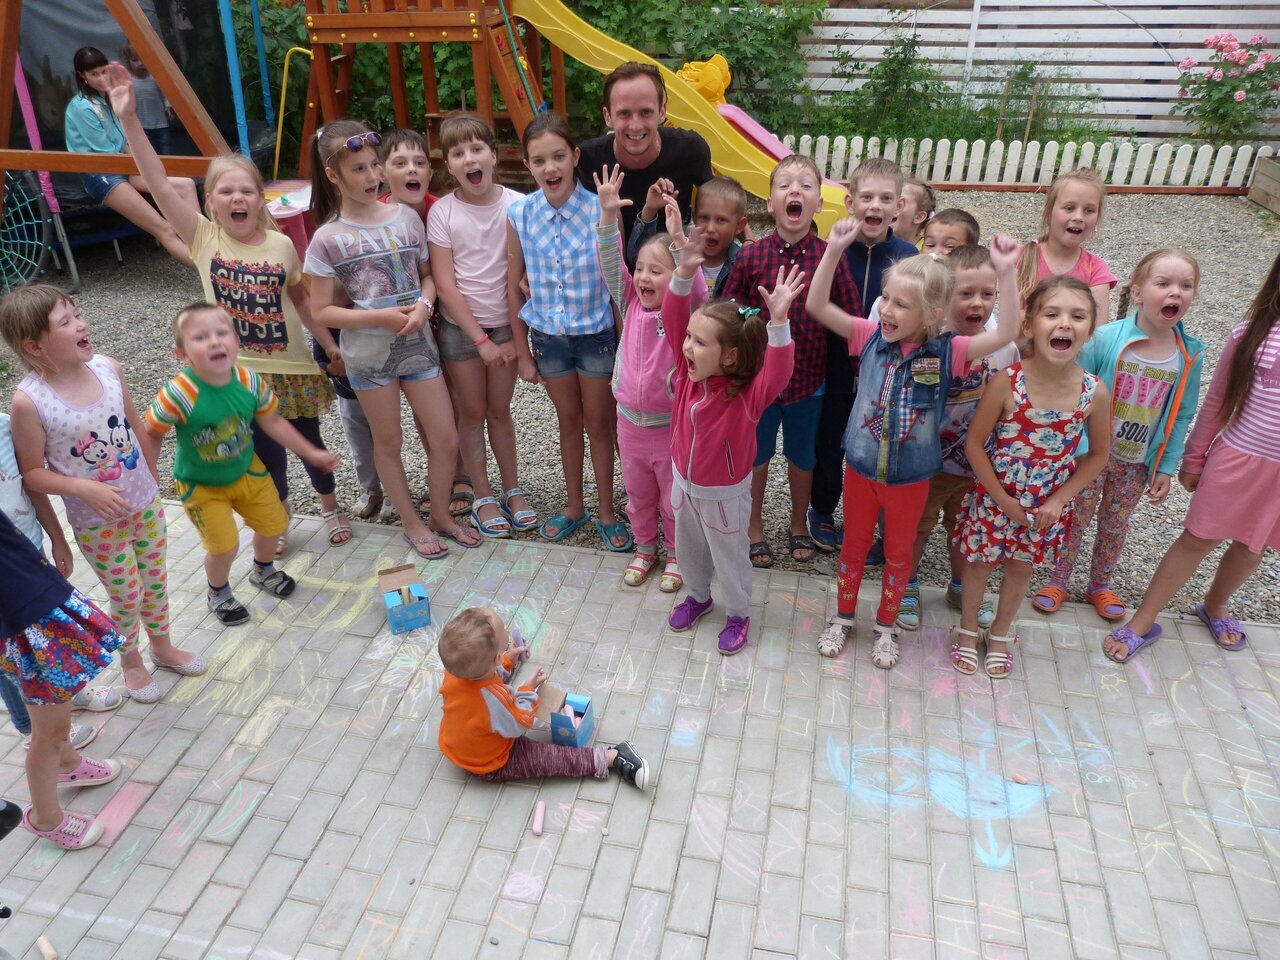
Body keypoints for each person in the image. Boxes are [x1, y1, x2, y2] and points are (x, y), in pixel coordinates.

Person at [108, 64, 350, 555]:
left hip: (292, 368)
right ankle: (277, 518)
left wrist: (329, 347)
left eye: (247, 190)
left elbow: (302, 301)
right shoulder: (204, 238)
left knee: (310, 440)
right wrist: (129, 119)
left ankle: (331, 508)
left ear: (261, 199)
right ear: (210, 202)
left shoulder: (282, 246)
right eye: (226, 191)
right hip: (240, 375)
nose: (237, 197)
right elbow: (157, 182)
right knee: (265, 455)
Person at [807, 225, 1023, 669]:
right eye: (886, 298)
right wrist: (833, 250)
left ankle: (886, 627)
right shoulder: (868, 334)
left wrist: (1006, 273)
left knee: (898, 555)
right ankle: (843, 617)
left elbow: (1008, 333)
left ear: (932, 314)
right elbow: (817, 306)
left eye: (900, 304)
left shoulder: (950, 351)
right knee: (853, 549)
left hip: (911, 478)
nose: (886, 309)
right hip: (862, 469)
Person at [2, 285, 205, 702]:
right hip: (97, 525)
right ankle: (131, 662)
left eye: (77, 314)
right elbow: (32, 475)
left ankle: (163, 647)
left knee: (155, 582)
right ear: (35, 346)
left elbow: (137, 428)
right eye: (66, 322)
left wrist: (155, 483)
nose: (81, 324)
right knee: (127, 595)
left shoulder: (109, 368)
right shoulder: (30, 402)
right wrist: (80, 492)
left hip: (145, 506)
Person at [304, 119, 480, 559]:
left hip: (419, 348)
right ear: (333, 175)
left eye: (373, 166)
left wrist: (424, 305)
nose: (371, 176)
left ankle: (440, 514)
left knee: (445, 438)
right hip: (367, 357)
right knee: (390, 443)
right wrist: (378, 316)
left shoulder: (406, 219)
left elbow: (427, 276)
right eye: (358, 169)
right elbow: (320, 310)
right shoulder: (327, 239)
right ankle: (412, 522)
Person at [1102, 250, 1280, 662]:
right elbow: (1216, 402)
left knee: (1253, 547)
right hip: (1239, 459)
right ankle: (1143, 620)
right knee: (1198, 539)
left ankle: (1216, 604)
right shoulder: (1252, 333)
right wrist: (1194, 459)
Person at [663, 200, 805, 655]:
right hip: (684, 485)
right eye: (689, 338)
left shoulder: (745, 395)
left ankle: (739, 613)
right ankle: (698, 596)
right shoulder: (688, 375)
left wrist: (779, 322)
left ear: (728, 356)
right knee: (689, 551)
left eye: (699, 342)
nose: (687, 347)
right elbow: (672, 318)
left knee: (730, 557)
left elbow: (779, 371)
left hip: (725, 495)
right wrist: (684, 271)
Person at [953, 277, 1111, 677]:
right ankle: (967, 629)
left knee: (1021, 568)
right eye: (1052, 314)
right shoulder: (1007, 381)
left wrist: (1059, 500)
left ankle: (1001, 632)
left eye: (1078, 316)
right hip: (996, 496)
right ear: (1029, 325)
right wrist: (1002, 499)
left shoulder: (1094, 392)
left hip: (1045, 505)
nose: (1065, 323)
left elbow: (1098, 456)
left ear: (1090, 331)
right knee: (979, 564)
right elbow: (975, 445)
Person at [144, 304, 340, 624]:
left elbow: (272, 422)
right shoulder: (178, 394)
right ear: (182, 353)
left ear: (237, 342)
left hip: (248, 471)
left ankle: (263, 571)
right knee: (224, 546)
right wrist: (149, 475)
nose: (214, 341)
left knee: (274, 525)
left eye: (222, 333)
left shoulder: (249, 381)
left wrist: (311, 452)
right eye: (200, 337)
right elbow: (152, 432)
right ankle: (218, 591)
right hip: (201, 485)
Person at [1035, 249, 1204, 622]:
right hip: (1089, 454)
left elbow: (1182, 413)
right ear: (1138, 292)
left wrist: (1166, 466)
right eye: (1163, 283)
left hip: (1136, 461)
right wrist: (1071, 447)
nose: (1175, 292)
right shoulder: (1105, 338)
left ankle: (1099, 584)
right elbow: (1073, 389)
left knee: (1115, 524)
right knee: (1075, 517)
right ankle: (1058, 579)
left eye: (1186, 286)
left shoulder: (1188, 354)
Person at [720, 155, 861, 567]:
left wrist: (859, 371)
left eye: (805, 185)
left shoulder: (829, 257)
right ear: (770, 202)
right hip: (758, 385)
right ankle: (754, 527)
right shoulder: (750, 258)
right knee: (756, 457)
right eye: (784, 185)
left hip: (809, 384)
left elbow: (851, 319)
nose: (794, 191)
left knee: (802, 457)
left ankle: (799, 523)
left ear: (819, 203)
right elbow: (728, 315)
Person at [507, 112, 629, 551]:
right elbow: (513, 285)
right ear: (528, 165)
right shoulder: (519, 213)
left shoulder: (601, 208)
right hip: (549, 340)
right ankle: (575, 505)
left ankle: (607, 510)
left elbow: (618, 284)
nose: (550, 168)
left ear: (575, 156)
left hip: (596, 337)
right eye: (539, 160)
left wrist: (627, 347)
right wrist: (522, 353)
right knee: (568, 422)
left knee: (600, 423)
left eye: (558, 156)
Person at [896, 244, 1021, 633]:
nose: (977, 303)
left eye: (987, 294)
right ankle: (906, 586)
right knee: (917, 527)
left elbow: (1012, 403)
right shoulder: (930, 343)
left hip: (978, 467)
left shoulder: (1003, 348)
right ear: (943, 296)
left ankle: (960, 587)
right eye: (966, 293)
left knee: (964, 530)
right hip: (928, 463)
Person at [428, 114, 535, 539]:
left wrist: (516, 335)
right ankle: (483, 495)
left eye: (477, 149)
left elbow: (528, 268)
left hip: (507, 325)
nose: (469, 159)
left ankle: (513, 489)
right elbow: (445, 284)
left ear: (494, 154)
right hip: (462, 332)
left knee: (499, 411)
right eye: (458, 153)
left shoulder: (519, 205)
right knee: (471, 413)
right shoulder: (443, 212)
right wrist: (480, 340)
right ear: (448, 165)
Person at [595, 164, 698, 591]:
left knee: (673, 498)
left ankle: (676, 554)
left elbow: (696, 287)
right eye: (640, 269)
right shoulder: (630, 302)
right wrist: (607, 215)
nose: (643, 277)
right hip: (629, 425)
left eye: (656, 270)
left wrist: (679, 243)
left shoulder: (680, 312)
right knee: (638, 495)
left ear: (674, 277)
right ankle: (645, 548)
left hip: (669, 427)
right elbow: (609, 262)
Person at [0, 509, 126, 850]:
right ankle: (46, 817)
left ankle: (68, 764)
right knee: (50, 733)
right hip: (25, 622)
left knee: (56, 715)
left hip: (36, 600)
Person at [807, 158, 915, 555]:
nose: (875, 206)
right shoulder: (833, 250)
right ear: (850, 202)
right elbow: (817, 303)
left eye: (885, 199)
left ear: (899, 206)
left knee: (879, 446)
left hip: (886, 375)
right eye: (867, 197)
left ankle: (867, 522)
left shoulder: (908, 255)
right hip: (835, 366)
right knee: (829, 442)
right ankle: (822, 509)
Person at [0, 410, 115, 750]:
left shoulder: (4, 425)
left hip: (29, 551)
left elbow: (30, 488)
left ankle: (67, 694)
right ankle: (33, 728)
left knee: (46, 635)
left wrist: (57, 537)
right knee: (10, 654)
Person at [437, 606, 649, 787]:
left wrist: (507, 661)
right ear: (494, 659)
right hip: (491, 763)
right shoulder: (493, 701)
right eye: (504, 644)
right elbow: (520, 722)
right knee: (553, 759)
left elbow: (485, 678)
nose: (508, 639)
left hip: (457, 748)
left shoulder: (456, 671)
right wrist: (528, 690)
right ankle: (613, 757)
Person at [63, 47, 198, 267]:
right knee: (164, 229)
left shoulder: (110, 98)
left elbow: (126, 142)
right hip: (102, 174)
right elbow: (105, 153)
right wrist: (139, 162)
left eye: (104, 71)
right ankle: (210, 272)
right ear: (82, 75)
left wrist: (145, 162)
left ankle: (201, 245)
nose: (102, 78)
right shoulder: (81, 107)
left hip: (123, 165)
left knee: (187, 185)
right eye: (94, 74)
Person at [577, 62, 713, 261]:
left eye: (645, 112)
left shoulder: (690, 150)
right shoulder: (587, 159)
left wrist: (748, 241)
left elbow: (720, 205)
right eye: (624, 113)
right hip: (609, 269)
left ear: (662, 112)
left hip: (672, 268)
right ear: (608, 116)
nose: (635, 126)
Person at [1015, 166, 1116, 324]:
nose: (1079, 217)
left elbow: (1099, 327)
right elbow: (1009, 318)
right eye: (1070, 208)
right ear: (1048, 214)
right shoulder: (1023, 257)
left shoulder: (1095, 269)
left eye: (1089, 210)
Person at [627, 175, 748, 298]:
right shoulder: (678, 251)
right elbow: (637, 257)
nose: (710, 228)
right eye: (704, 218)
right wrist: (650, 210)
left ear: (739, 225)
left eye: (721, 220)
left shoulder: (744, 263)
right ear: (694, 218)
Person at [119, 43, 172, 156]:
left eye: (143, 59)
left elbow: (165, 94)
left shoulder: (155, 78)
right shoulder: (129, 82)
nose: (140, 63)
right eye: (135, 60)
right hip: (142, 126)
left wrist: (168, 106)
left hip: (161, 124)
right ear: (128, 61)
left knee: (166, 154)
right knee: (150, 154)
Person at [895, 177, 936, 247]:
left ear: (919, 217)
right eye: (889, 199)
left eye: (899, 203)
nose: (890, 207)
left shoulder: (927, 251)